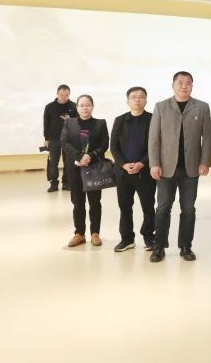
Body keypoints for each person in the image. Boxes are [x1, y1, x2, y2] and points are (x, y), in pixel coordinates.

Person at [148, 71, 211, 263]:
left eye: (188, 83)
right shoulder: (161, 107)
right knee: (162, 208)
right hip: (166, 168)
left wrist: (205, 161)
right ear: (173, 85)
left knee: (188, 209)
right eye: (180, 82)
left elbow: (207, 137)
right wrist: (154, 163)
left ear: (192, 86)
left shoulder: (202, 107)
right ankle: (159, 247)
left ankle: (186, 246)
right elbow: (154, 138)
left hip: (191, 168)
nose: (184, 86)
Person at [109, 86, 155, 252]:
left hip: (145, 172)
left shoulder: (153, 119)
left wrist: (142, 163)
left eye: (141, 96)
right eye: (133, 97)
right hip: (123, 172)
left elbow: (155, 145)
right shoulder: (120, 120)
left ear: (146, 101)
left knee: (148, 207)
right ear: (127, 101)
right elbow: (114, 146)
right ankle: (127, 239)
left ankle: (149, 237)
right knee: (125, 207)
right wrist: (123, 164)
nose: (137, 99)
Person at [61, 94, 108, 247]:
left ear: (92, 107)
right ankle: (79, 234)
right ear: (77, 107)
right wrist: (79, 157)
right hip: (75, 168)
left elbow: (104, 144)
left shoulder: (100, 123)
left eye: (88, 105)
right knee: (77, 202)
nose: (85, 108)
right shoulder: (69, 123)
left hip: (94, 167)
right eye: (81, 105)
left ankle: (95, 233)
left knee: (95, 202)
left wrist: (90, 156)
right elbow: (65, 142)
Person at [43, 84, 77, 192]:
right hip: (53, 139)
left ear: (69, 95)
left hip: (69, 139)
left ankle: (66, 183)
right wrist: (46, 139)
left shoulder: (74, 106)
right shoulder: (49, 107)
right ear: (57, 94)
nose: (64, 97)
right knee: (53, 162)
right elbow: (46, 123)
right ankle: (53, 184)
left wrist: (70, 120)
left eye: (66, 95)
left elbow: (78, 123)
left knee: (68, 162)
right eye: (61, 95)